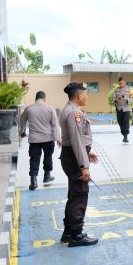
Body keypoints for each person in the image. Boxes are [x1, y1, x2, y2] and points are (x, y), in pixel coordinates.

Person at [58, 82, 100, 247]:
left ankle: (68, 232)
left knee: (74, 195)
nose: (87, 96)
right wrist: (85, 166)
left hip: (73, 156)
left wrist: (87, 153)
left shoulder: (68, 110)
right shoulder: (74, 112)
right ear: (79, 95)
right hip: (75, 160)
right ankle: (76, 234)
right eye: (85, 93)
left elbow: (76, 139)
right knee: (80, 196)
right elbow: (76, 140)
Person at [20, 91, 61, 190]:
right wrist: (58, 138)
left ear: (36, 98)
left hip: (34, 140)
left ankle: (33, 180)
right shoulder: (50, 108)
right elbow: (55, 125)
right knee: (48, 157)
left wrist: (22, 131)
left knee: (34, 159)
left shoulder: (28, 108)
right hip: (48, 138)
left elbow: (22, 120)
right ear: (44, 98)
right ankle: (47, 176)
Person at [113, 77, 133, 142]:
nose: (120, 84)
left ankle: (126, 136)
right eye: (119, 83)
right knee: (120, 121)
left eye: (122, 83)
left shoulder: (130, 89)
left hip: (126, 108)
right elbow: (113, 98)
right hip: (119, 108)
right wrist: (116, 99)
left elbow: (132, 98)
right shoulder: (116, 89)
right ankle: (123, 132)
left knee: (126, 122)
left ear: (125, 82)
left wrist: (127, 99)